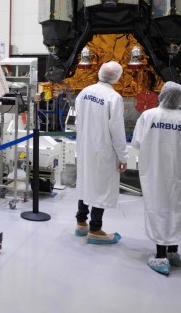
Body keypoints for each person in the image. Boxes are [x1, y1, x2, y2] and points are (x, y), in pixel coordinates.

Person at [131, 82, 181, 275]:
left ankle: (160, 256)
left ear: (161, 95)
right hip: (180, 173)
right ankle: (173, 252)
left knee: (158, 208)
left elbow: (136, 142)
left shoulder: (148, 116)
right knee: (177, 209)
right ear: (180, 98)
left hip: (154, 173)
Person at [74, 61, 128, 244]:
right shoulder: (114, 98)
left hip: (85, 147)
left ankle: (81, 222)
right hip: (103, 150)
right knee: (100, 188)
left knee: (86, 182)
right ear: (117, 77)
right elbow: (117, 131)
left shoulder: (85, 92)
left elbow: (79, 119)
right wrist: (123, 156)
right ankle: (95, 229)